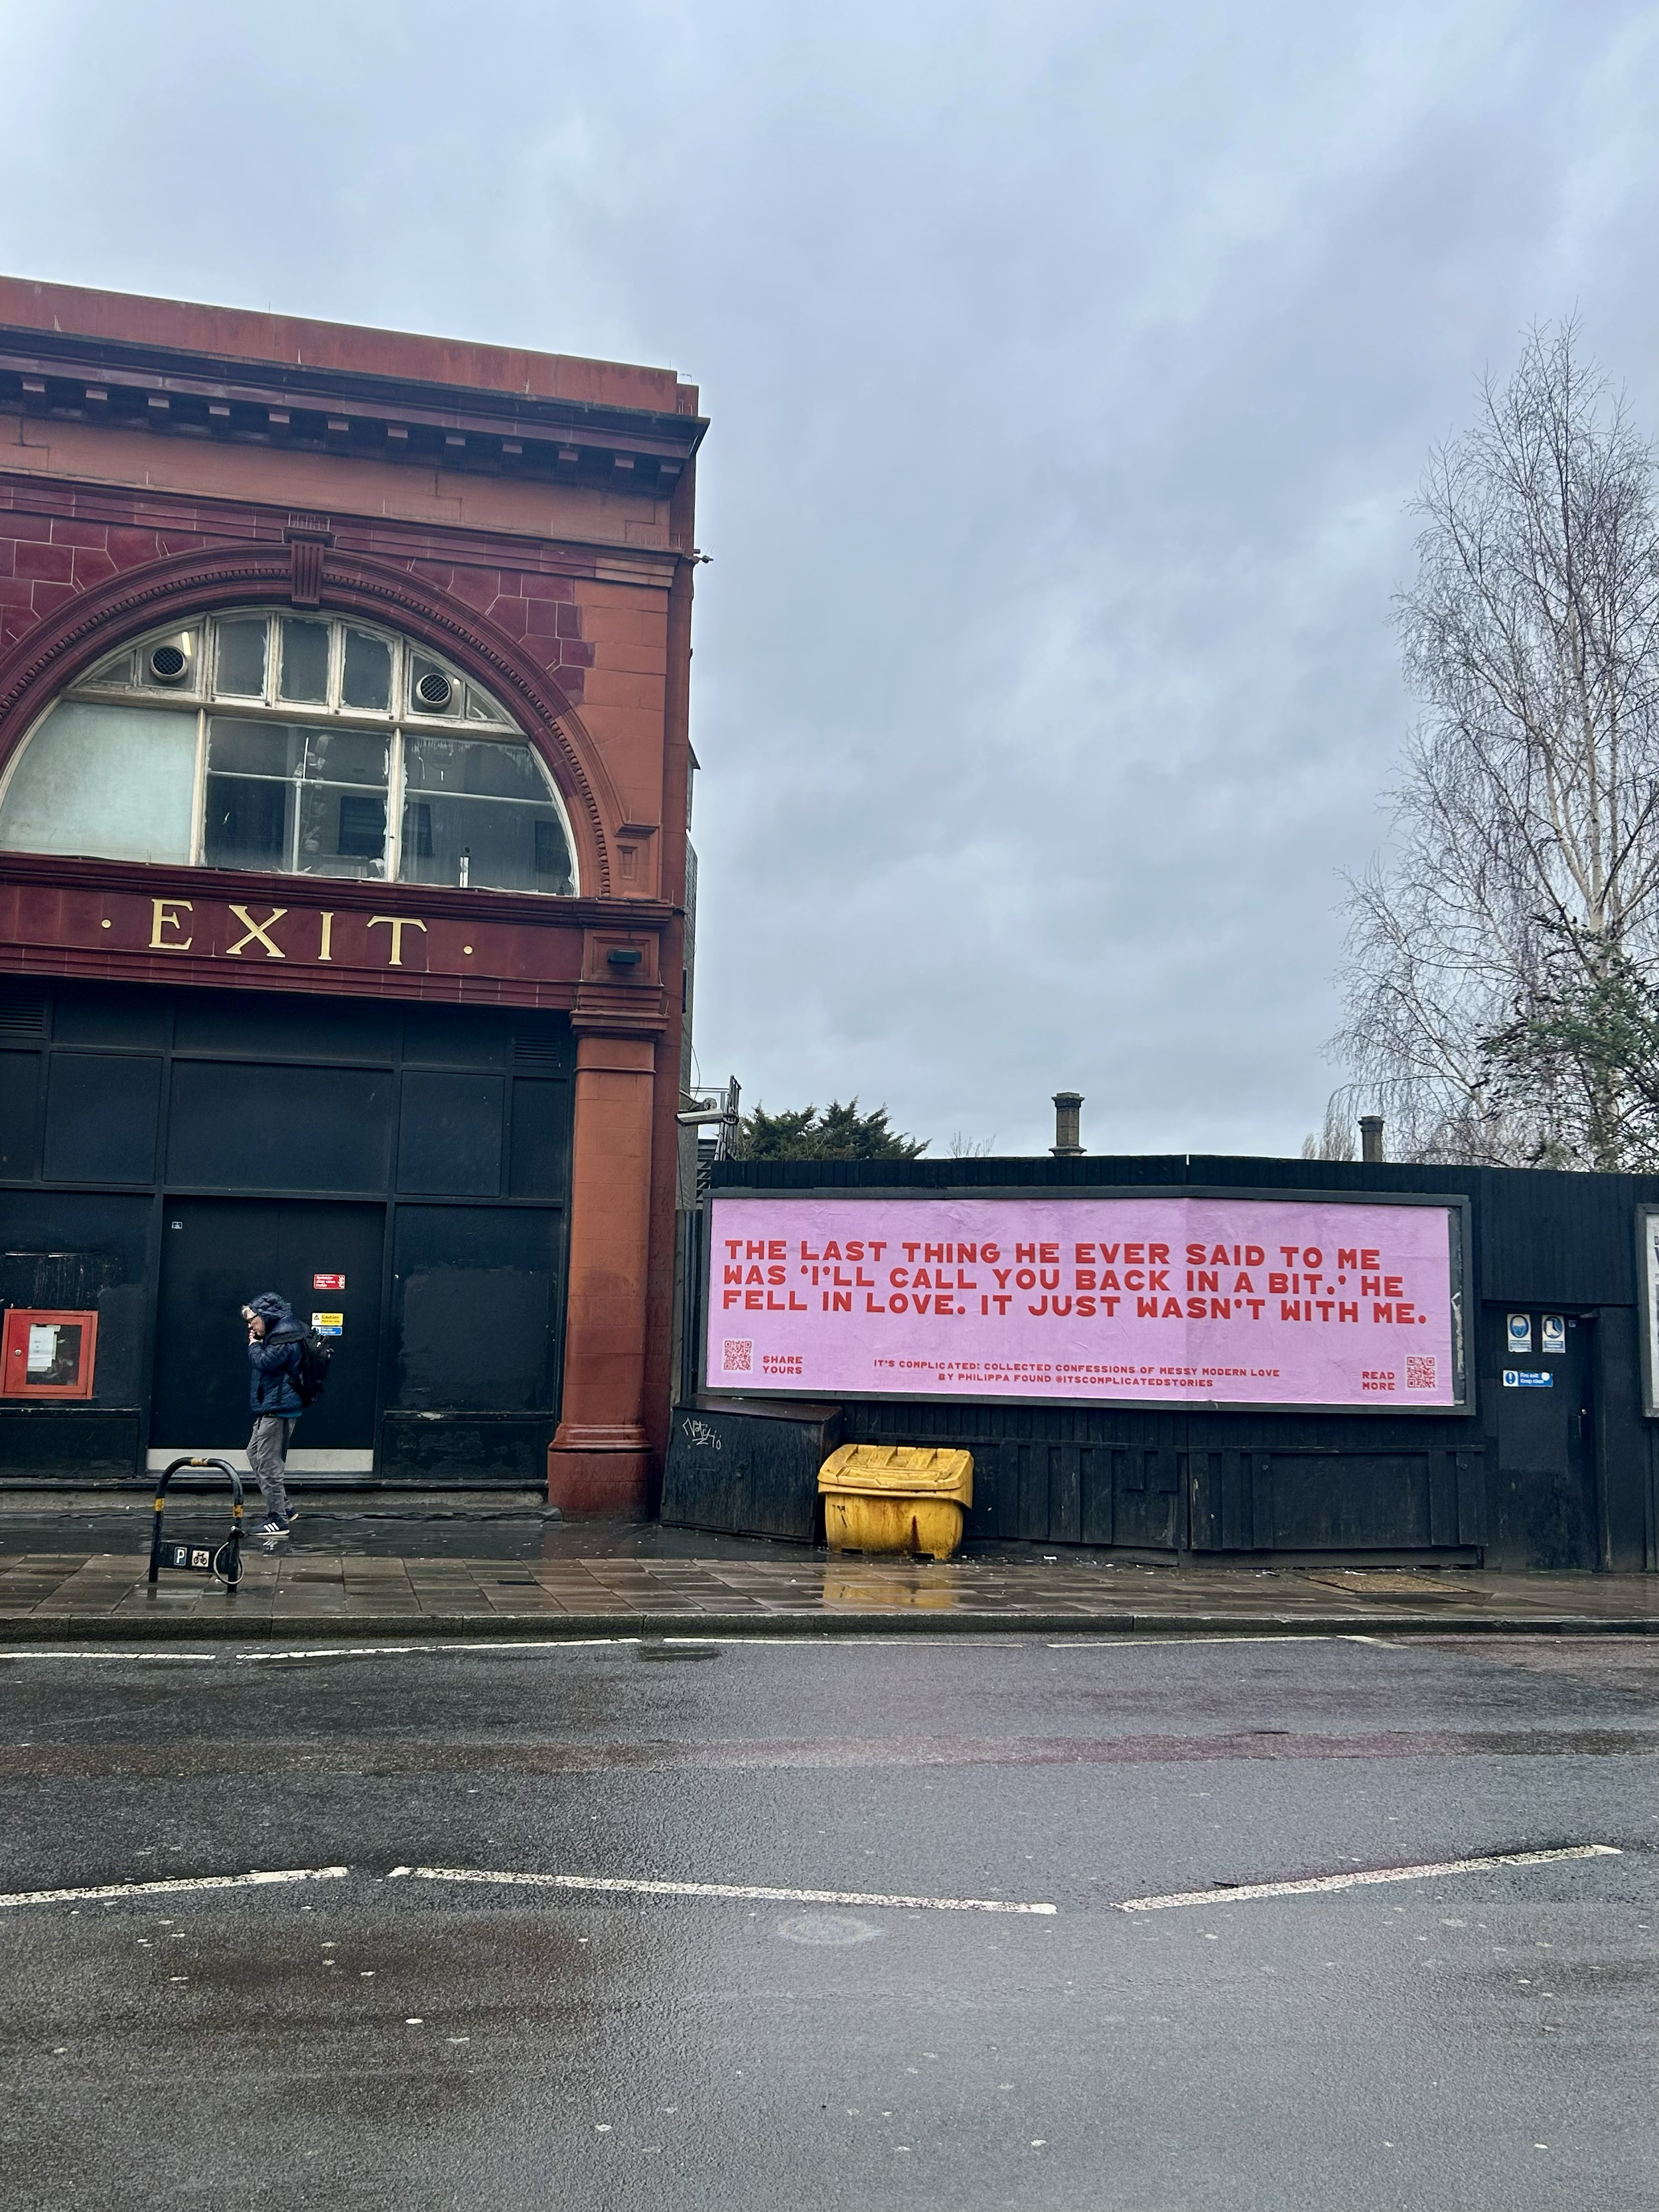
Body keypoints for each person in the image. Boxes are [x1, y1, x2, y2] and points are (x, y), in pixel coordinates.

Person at [243, 1291, 305, 1540]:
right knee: (254, 1453)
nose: (251, 1326)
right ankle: (284, 1506)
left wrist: (255, 1345)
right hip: (273, 1406)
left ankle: (278, 1518)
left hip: (279, 1409)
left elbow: (266, 1362)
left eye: (253, 1320)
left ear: (266, 1316)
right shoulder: (282, 1330)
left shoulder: (284, 1335)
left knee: (269, 1463)